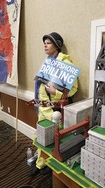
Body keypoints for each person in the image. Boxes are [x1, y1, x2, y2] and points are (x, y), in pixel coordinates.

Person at [29, 32, 78, 176]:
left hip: (54, 111)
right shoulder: (47, 62)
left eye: (48, 42)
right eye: (44, 42)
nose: (45, 45)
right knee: (41, 137)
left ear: (57, 45)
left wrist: (55, 92)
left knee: (53, 140)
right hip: (42, 107)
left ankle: (51, 166)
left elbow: (74, 89)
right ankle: (40, 164)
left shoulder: (66, 64)